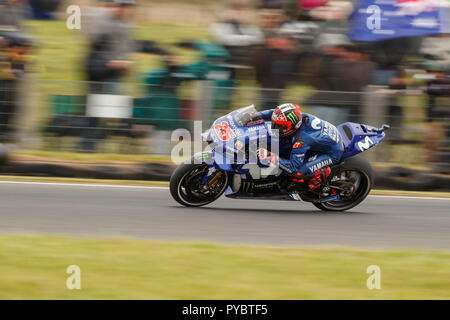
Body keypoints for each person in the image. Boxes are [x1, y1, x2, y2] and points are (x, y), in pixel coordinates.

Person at [255, 103, 344, 189]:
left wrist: (270, 156)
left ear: (291, 127)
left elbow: (293, 168)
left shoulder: (301, 139)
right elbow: (273, 113)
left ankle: (323, 172)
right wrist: (253, 116)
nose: (274, 128)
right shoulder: (295, 117)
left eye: (279, 126)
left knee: (298, 174)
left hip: (332, 153)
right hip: (325, 139)